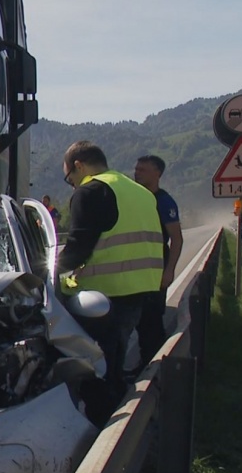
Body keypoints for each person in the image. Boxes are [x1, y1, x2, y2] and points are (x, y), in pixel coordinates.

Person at [56, 141, 163, 407]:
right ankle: (116, 403)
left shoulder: (89, 192)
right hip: (141, 289)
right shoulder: (140, 192)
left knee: (98, 366)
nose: (72, 185)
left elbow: (78, 248)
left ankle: (104, 415)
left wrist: (50, 272)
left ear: (79, 166)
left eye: (69, 178)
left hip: (104, 295)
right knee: (116, 356)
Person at [132, 154, 184, 372]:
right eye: (136, 169)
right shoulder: (134, 198)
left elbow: (177, 239)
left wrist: (169, 271)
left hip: (155, 270)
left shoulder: (163, 201)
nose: (137, 173)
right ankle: (144, 365)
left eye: (143, 170)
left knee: (151, 322)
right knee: (137, 321)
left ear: (157, 174)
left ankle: (157, 370)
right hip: (135, 270)